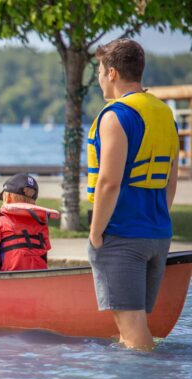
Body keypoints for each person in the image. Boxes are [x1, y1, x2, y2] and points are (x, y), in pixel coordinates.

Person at [87, 39, 179, 351]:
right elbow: (170, 180)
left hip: (122, 234)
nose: (98, 77)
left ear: (112, 73)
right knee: (133, 330)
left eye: (99, 71)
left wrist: (96, 232)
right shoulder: (164, 113)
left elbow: (108, 182)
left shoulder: (115, 116)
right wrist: (156, 223)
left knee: (133, 329)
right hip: (157, 234)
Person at [0, 173, 55, 272]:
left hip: (10, 277)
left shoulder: (0, 222)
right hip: (38, 276)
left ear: (7, 198)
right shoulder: (41, 223)